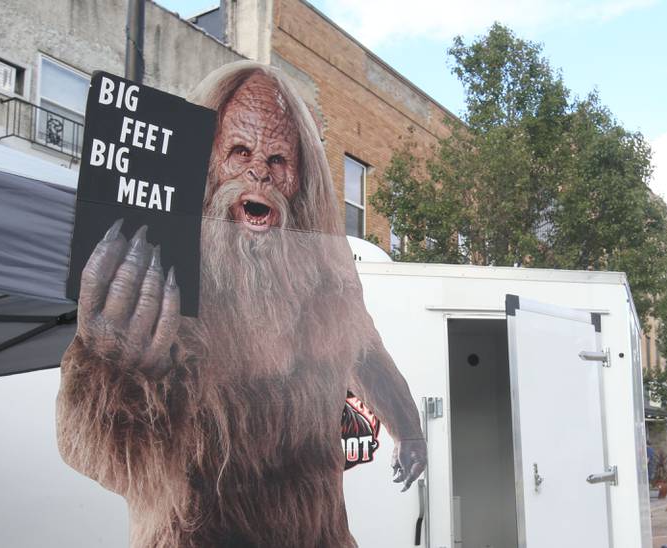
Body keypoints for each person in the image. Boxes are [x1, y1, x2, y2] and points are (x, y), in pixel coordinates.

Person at [56, 62, 426, 548]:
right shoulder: (172, 280)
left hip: (317, 534)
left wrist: (410, 430)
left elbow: (368, 352)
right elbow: (101, 455)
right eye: (240, 152)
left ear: (301, 178)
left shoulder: (326, 278)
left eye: (278, 160)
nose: (259, 173)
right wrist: (112, 369)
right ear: (207, 166)